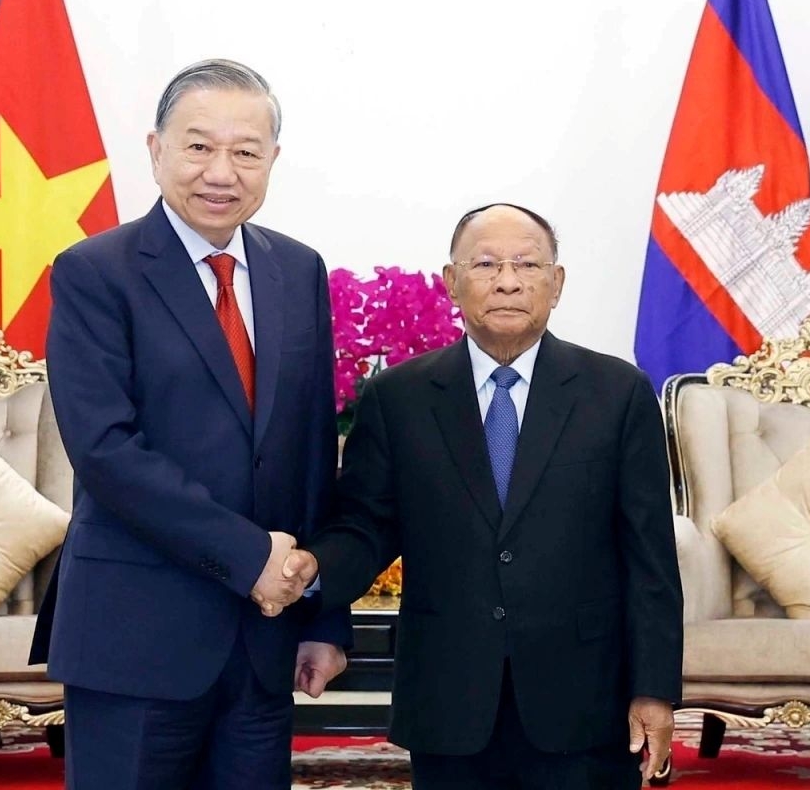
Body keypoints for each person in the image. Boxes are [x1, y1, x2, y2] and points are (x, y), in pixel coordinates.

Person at [282, 203, 684, 789]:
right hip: (450, 697)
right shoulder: (400, 398)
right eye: (486, 263)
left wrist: (653, 689)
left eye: (527, 263)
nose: (508, 280)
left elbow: (650, 557)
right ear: (452, 281)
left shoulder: (616, 392)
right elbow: (365, 526)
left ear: (557, 282)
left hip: (583, 700)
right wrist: (311, 570)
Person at [29, 58, 350, 790]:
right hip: (135, 634)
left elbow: (307, 454)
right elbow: (107, 454)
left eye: (245, 151)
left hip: (263, 640)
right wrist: (252, 560)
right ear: (156, 150)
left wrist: (321, 616)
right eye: (199, 145)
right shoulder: (95, 272)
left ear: (272, 159)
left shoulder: (297, 271)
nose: (221, 171)